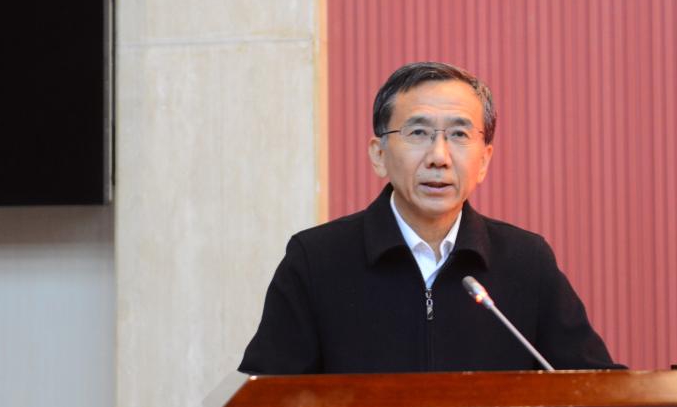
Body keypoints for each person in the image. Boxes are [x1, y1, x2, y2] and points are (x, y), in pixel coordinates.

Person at [238, 61, 620, 374]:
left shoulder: (526, 261)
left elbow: (598, 391)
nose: (439, 157)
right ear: (378, 155)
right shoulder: (316, 260)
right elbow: (262, 405)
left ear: (484, 160)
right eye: (418, 132)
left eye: (459, 135)